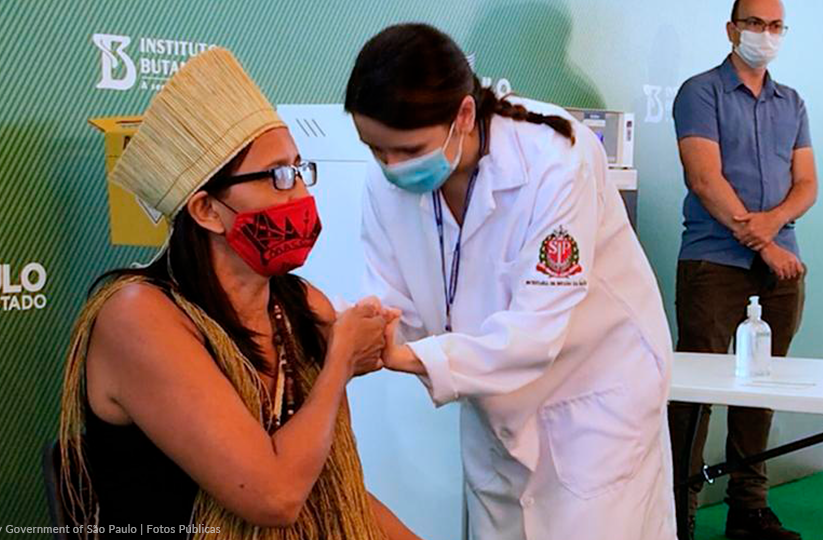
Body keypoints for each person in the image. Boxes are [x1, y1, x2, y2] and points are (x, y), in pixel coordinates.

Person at [58, 47, 420, 540]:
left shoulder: (301, 306)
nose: (300, 196)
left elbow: (334, 489)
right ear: (206, 210)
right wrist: (338, 364)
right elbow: (273, 496)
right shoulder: (137, 317)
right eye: (277, 177)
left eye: (299, 169)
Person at [344, 23, 676, 540]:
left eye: (408, 151)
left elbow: (536, 332)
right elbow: (393, 304)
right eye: (375, 150)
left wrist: (404, 356)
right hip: (494, 406)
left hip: (592, 399)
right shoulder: (385, 183)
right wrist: (362, 332)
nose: (391, 168)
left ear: (465, 116)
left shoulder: (555, 156)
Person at [669, 1, 817, 539]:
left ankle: (748, 509)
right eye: (755, 23)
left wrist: (773, 232)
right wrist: (764, 243)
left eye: (775, 26)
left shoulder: (792, 102)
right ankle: (676, 514)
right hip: (714, 261)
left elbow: (807, 185)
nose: (765, 34)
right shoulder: (700, 92)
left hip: (782, 268)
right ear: (732, 29)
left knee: (760, 393)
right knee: (694, 396)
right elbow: (705, 178)